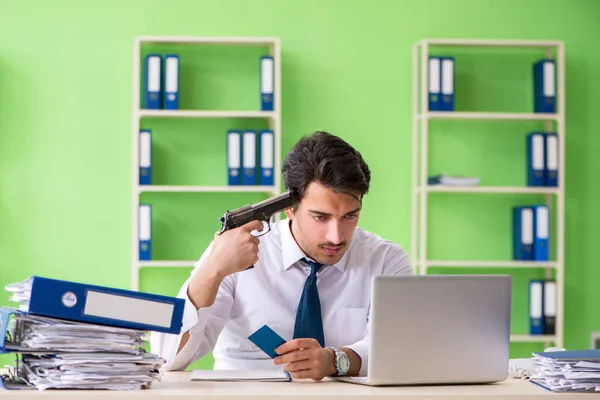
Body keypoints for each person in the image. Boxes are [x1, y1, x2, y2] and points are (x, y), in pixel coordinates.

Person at [150, 131, 412, 380]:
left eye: (350, 216)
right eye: (320, 217)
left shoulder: (386, 260)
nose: (336, 236)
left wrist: (334, 361)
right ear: (289, 208)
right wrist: (212, 270)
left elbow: (400, 350)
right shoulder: (236, 251)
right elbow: (167, 359)